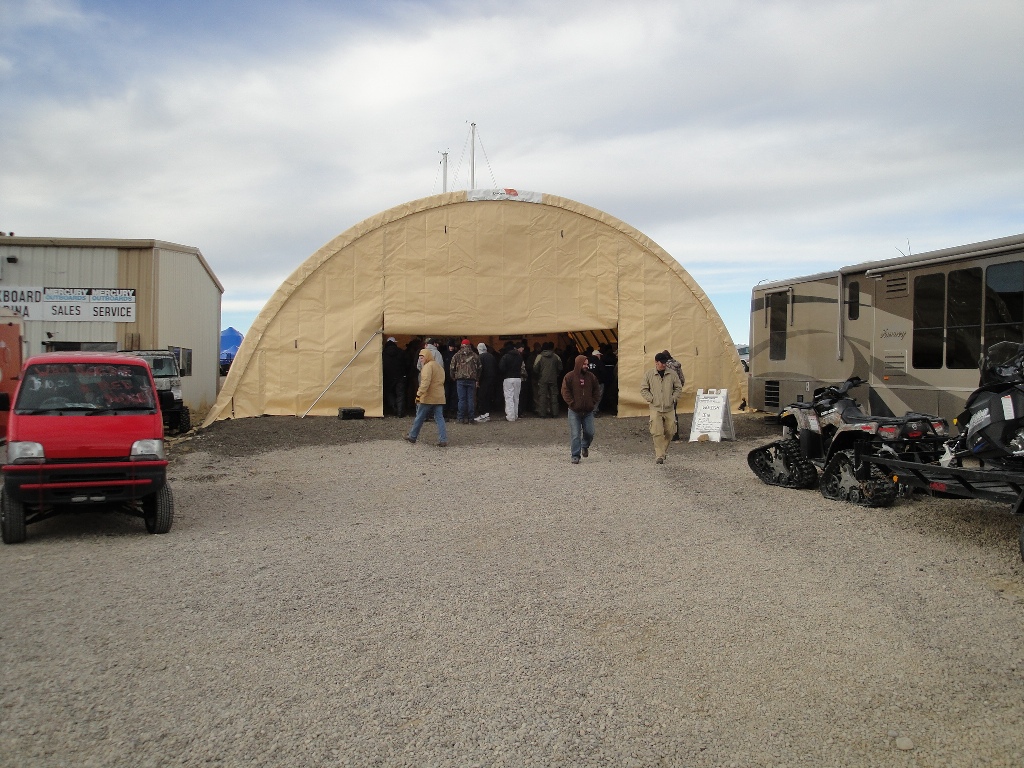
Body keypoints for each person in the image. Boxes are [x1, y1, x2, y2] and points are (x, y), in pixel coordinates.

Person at [640, 351, 683, 464]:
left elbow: (678, 387)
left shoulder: (672, 374)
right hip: (655, 408)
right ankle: (659, 455)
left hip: (669, 407)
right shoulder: (649, 374)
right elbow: (644, 389)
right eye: (661, 363)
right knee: (657, 431)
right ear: (656, 362)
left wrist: (673, 398)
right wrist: (651, 399)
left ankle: (662, 450)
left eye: (665, 362)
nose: (664, 365)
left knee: (671, 431)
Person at [561, 354, 601, 464]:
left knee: (590, 432)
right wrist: (572, 403)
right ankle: (575, 455)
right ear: (578, 364)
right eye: (584, 364)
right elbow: (565, 391)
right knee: (575, 434)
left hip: (588, 411)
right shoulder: (569, 377)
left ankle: (585, 445)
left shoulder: (591, 377)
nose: (586, 366)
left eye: (587, 364)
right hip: (574, 411)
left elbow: (597, 390)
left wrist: (592, 402)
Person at [405, 348, 448, 446]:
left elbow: (425, 382)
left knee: (419, 417)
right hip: (439, 396)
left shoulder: (427, 367)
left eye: (422, 357)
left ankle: (412, 436)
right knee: (439, 418)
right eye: (420, 357)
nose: (420, 359)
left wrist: (418, 394)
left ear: (427, 356)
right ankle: (443, 439)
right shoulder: (438, 366)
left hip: (428, 397)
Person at [450, 339, 481, 424]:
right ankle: (471, 418)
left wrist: (453, 377)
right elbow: (479, 368)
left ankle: (461, 418)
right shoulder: (475, 355)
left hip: (460, 380)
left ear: (461, 345)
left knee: (461, 399)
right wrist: (477, 379)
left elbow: (452, 368)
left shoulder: (457, 355)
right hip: (472, 379)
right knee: (471, 399)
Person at [533, 341, 563, 418]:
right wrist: (556, 373)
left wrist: (540, 373)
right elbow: (560, 367)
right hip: (553, 378)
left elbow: (535, 368)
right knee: (554, 395)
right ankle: (555, 413)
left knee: (542, 396)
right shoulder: (556, 356)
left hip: (543, 378)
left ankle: (542, 414)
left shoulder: (539, 356)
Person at [499, 340, 525, 421]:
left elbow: (501, 368)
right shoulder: (519, 357)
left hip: (508, 378)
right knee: (516, 397)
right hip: (518, 378)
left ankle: (510, 416)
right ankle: (516, 414)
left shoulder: (505, 357)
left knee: (509, 397)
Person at [662, 350, 685, 440]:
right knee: (674, 413)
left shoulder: (665, 366)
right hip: (675, 392)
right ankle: (675, 434)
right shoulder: (677, 365)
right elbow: (682, 379)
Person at [381, 337, 407, 417]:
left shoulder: (383, 353)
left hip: (388, 376)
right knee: (400, 394)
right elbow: (406, 363)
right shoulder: (401, 352)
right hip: (400, 375)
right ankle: (400, 412)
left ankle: (393, 407)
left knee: (389, 393)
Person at [474, 342, 498, 422]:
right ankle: (487, 414)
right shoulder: (491, 356)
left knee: (481, 397)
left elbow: (479, 370)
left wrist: (477, 380)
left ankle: (482, 414)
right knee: (488, 397)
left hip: (483, 380)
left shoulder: (480, 357)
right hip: (492, 379)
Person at [588, 348, 608, 416]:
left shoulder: (586, 362)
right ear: (597, 355)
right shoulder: (599, 363)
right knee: (598, 396)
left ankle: (588, 410)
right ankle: (594, 410)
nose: (600, 356)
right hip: (598, 382)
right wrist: (603, 380)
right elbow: (604, 372)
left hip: (588, 383)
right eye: (599, 355)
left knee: (589, 396)